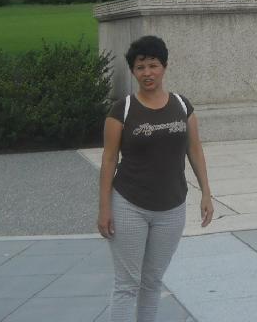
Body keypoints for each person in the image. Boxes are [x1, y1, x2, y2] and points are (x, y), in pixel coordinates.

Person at [98, 36, 213, 322]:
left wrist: (207, 194)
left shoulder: (182, 105)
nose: (147, 73)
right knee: (127, 285)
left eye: (153, 65)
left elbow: (194, 150)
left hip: (172, 208)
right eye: (140, 67)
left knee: (152, 282)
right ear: (133, 71)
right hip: (129, 205)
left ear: (164, 67)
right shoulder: (121, 110)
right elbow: (109, 160)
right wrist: (104, 208)